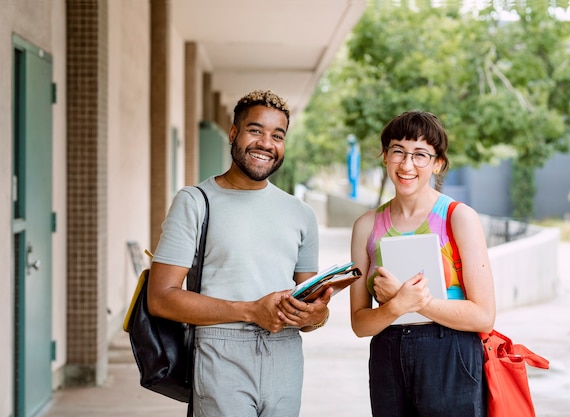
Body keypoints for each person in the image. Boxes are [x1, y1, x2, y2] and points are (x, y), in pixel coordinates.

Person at [147, 89, 331, 417]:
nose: (266, 143)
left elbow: (310, 304)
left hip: (285, 353)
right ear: (234, 133)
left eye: (278, 135)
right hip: (221, 350)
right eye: (255, 130)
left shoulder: (301, 213)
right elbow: (160, 298)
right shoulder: (195, 202)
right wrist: (249, 311)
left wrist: (317, 317)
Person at [349, 110, 496, 417]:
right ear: (385, 156)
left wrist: (416, 302)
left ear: (437, 163)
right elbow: (360, 324)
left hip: (450, 353)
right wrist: (395, 307)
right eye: (398, 152)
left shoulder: (459, 217)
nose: (406, 164)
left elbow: (484, 316)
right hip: (387, 355)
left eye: (420, 155)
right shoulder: (366, 226)